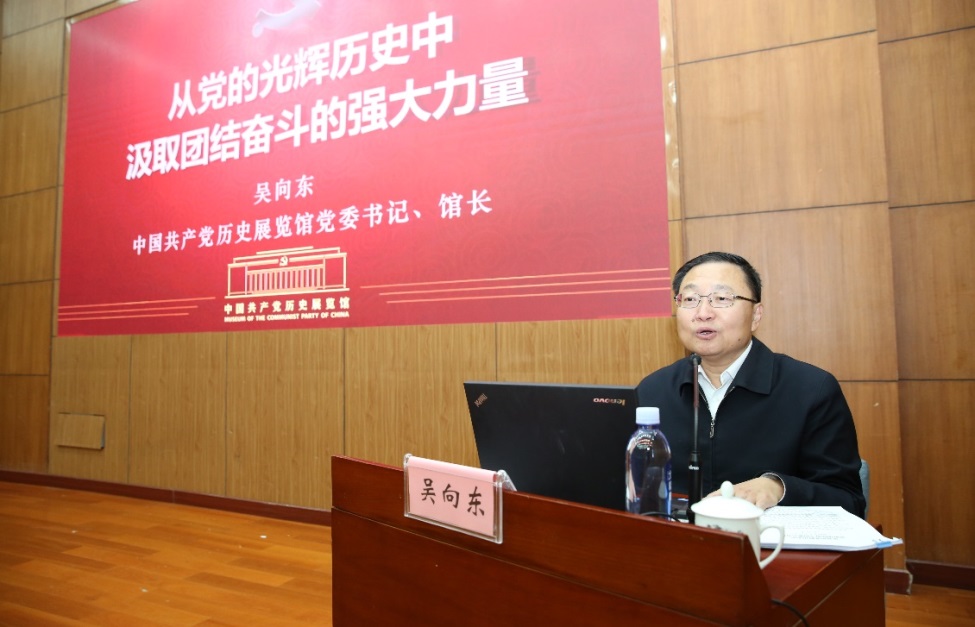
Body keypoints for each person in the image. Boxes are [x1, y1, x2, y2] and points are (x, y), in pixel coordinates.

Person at [636, 251, 866, 517]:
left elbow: (848, 501)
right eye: (689, 299)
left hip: (769, 542)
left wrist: (779, 488)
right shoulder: (652, 391)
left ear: (756, 315)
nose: (703, 313)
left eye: (722, 299)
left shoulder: (811, 390)